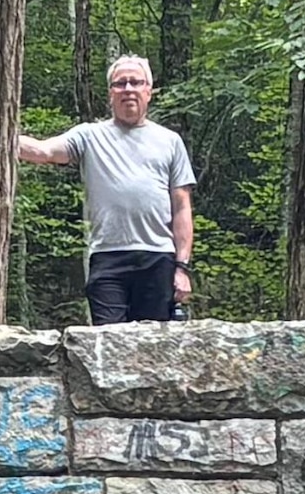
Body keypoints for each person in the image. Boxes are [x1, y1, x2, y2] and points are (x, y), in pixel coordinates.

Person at [16, 54, 198, 322]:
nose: (128, 90)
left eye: (135, 82)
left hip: (158, 257)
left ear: (149, 91)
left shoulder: (170, 141)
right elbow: (44, 151)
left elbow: (182, 207)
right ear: (110, 94)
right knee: (107, 339)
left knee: (152, 349)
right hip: (107, 257)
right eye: (119, 84)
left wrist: (181, 268)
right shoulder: (89, 136)